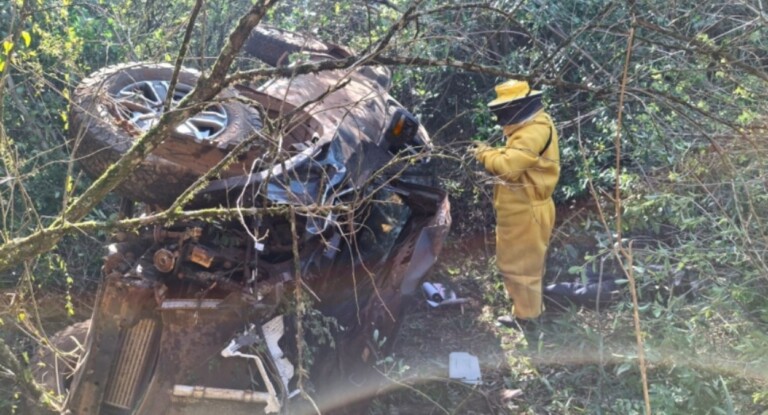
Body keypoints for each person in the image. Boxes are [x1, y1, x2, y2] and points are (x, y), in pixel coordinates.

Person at [473, 79, 559, 328]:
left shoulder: (534, 131)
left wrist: (484, 153)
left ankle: (528, 320)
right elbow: (517, 157)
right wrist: (495, 152)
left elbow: (510, 168)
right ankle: (528, 311)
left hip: (527, 210)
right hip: (522, 208)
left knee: (521, 269)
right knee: (524, 265)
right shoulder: (533, 125)